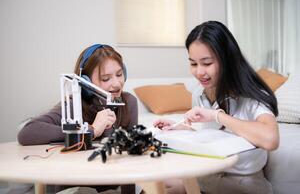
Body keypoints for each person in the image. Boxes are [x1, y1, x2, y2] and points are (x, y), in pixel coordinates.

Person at [154, 21, 279, 194]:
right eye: (193, 63)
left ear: (227, 60)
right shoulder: (199, 93)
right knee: (155, 184)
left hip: (241, 186)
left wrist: (216, 115)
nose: (199, 72)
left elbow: (271, 138)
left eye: (206, 63)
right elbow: (216, 136)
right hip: (206, 180)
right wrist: (180, 129)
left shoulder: (251, 96)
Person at [17, 44, 138, 194]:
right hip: (75, 187)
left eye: (119, 74)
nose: (117, 83)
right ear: (85, 82)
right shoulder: (74, 105)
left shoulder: (129, 102)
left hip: (111, 187)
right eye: (106, 78)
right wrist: (90, 130)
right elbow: (27, 132)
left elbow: (132, 163)